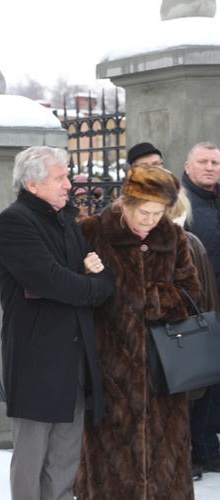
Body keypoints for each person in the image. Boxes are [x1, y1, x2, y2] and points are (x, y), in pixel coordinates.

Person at [0, 146, 114, 500]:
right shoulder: (14, 221)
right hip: (38, 359)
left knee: (64, 459)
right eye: (60, 177)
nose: (69, 184)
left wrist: (88, 285)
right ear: (33, 183)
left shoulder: (67, 221)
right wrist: (90, 285)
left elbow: (105, 280)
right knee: (32, 460)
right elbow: (50, 280)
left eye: (68, 175)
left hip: (74, 358)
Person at [75, 165, 200, 499]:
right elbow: (74, 293)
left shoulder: (174, 238)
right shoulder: (91, 233)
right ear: (125, 201)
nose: (150, 220)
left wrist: (153, 298)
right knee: (111, 458)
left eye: (158, 213)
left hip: (164, 367)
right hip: (108, 365)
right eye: (144, 211)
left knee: (165, 459)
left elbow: (191, 291)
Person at [181, 141, 220, 473]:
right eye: (203, 161)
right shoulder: (182, 204)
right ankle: (191, 451)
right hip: (196, 309)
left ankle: (208, 447)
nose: (210, 167)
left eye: (216, 163)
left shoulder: (216, 199)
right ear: (188, 165)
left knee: (215, 383)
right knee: (196, 384)